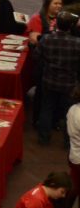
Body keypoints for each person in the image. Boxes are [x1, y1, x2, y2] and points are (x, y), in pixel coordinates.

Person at [35, 13, 80, 145]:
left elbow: (36, 56)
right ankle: (68, 141)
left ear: (57, 24)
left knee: (46, 108)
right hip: (69, 83)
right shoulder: (77, 43)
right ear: (71, 26)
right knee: (68, 112)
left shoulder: (46, 39)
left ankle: (43, 138)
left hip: (49, 80)